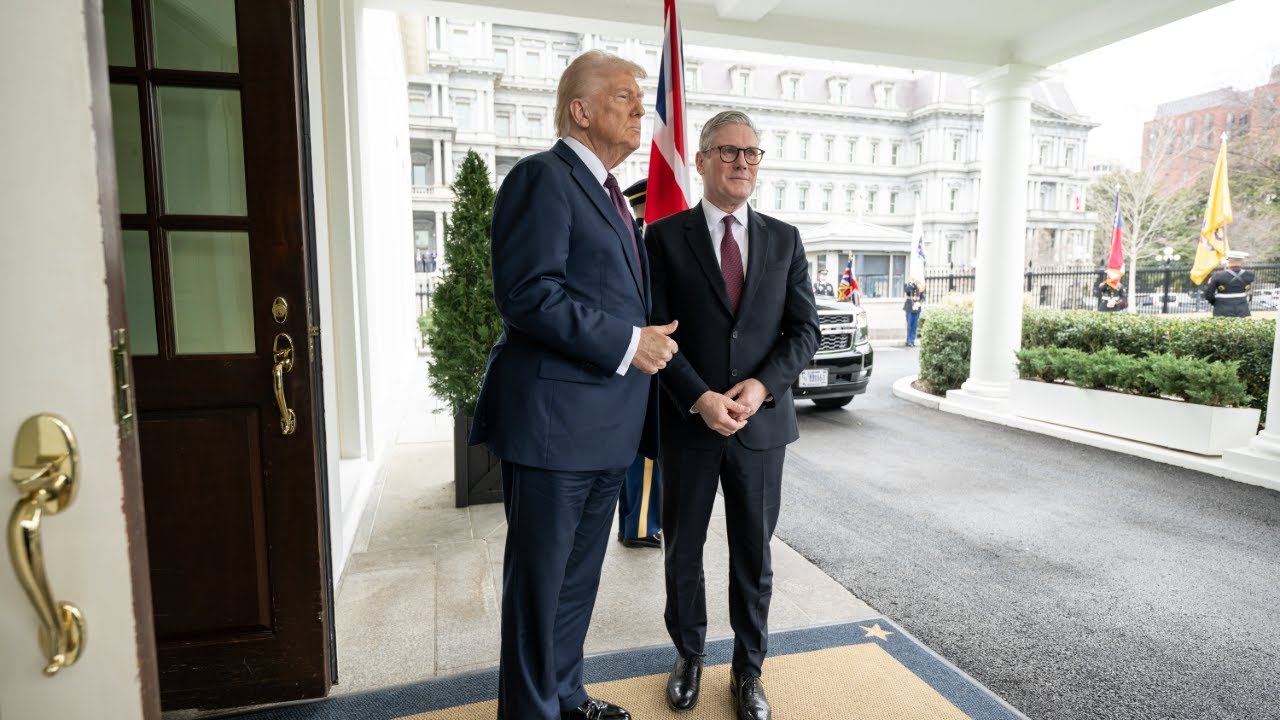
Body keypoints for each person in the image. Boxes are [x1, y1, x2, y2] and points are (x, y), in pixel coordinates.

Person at [469, 50, 679, 720]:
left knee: (574, 585)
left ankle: (564, 697)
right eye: (623, 96)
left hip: (602, 430)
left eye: (638, 97)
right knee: (538, 591)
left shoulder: (613, 194)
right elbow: (529, 294)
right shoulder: (543, 178)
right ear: (580, 110)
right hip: (554, 428)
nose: (639, 107)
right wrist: (629, 342)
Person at [645, 110, 819, 720]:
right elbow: (657, 333)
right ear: (699, 160)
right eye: (727, 152)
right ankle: (688, 656)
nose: (742, 163)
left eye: (751, 153)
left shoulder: (785, 239)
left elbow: (804, 332)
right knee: (682, 552)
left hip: (759, 427)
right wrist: (699, 396)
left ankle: (750, 671)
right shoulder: (664, 238)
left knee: (754, 556)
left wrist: (762, 386)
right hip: (689, 424)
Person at [617, 177, 663, 549]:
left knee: (636, 451)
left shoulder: (635, 234)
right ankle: (641, 525)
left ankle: (634, 522)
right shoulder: (644, 241)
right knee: (647, 452)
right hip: (643, 353)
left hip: (635, 354)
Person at [1204, 250, 1254, 318]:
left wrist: (1216, 303)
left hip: (1222, 309)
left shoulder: (1218, 275)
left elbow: (1208, 294)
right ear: (1242, 261)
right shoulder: (1250, 275)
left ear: (1228, 261)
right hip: (1241, 309)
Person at [903, 276, 925, 346]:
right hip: (909, 307)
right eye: (913, 278)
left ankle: (912, 340)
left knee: (914, 325)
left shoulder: (919, 286)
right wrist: (912, 284)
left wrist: (920, 302)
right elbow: (907, 291)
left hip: (916, 307)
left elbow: (922, 297)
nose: (915, 279)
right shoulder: (908, 285)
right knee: (909, 325)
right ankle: (908, 340)